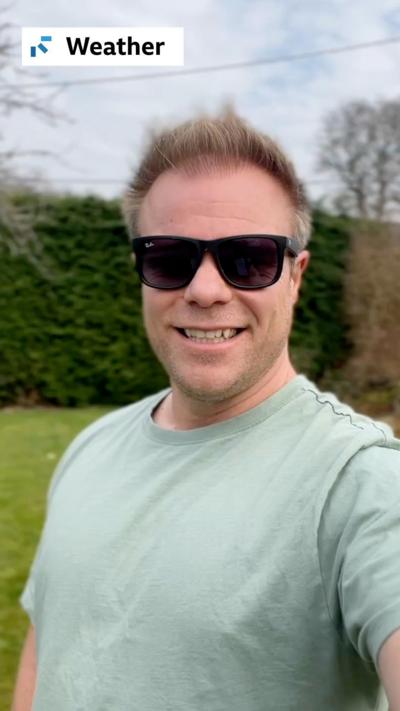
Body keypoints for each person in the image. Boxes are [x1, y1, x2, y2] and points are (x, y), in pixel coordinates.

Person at [13, 109, 400, 711]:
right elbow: (48, 642)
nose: (206, 289)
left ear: (296, 277)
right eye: (170, 257)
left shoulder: (362, 482)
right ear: (141, 274)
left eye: (249, 258)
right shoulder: (92, 445)